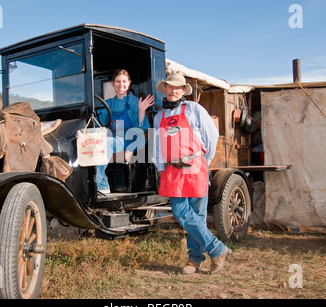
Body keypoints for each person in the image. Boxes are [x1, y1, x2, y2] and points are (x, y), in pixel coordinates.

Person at [152, 72, 231, 275]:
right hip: (171, 169)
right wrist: (161, 169)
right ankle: (217, 249)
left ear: (183, 91)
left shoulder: (194, 109)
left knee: (198, 215)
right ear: (165, 89)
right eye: (170, 87)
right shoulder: (158, 116)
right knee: (181, 212)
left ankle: (194, 260)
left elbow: (211, 136)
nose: (173, 90)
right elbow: (157, 146)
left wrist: (205, 161)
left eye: (177, 87)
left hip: (195, 166)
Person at [96, 69, 154, 193]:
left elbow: (141, 130)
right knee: (97, 143)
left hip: (132, 140)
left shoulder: (136, 102)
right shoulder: (108, 104)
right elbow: (99, 123)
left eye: (124, 81)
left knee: (106, 143)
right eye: (117, 81)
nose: (120, 85)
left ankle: (101, 185)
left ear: (129, 83)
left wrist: (142, 111)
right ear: (113, 83)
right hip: (115, 140)